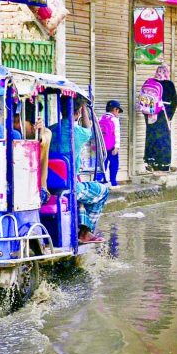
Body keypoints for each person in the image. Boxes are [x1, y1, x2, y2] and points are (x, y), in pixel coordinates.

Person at [73, 97, 109, 244]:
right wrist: (83, 106)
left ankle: (81, 228)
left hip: (53, 183)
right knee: (102, 191)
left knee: (84, 195)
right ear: (77, 114)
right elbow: (88, 129)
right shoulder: (77, 132)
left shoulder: (52, 129)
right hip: (71, 185)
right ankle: (86, 232)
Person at [144, 63, 177, 172]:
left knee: (152, 137)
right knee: (164, 139)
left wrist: (147, 115)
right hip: (163, 114)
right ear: (167, 72)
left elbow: (144, 101)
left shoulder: (149, 82)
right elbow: (175, 101)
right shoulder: (169, 84)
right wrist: (169, 116)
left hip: (151, 114)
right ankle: (163, 165)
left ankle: (151, 162)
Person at [99, 100, 122, 187]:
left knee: (103, 164)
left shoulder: (101, 118)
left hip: (102, 147)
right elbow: (117, 133)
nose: (118, 113)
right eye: (118, 110)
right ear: (115, 109)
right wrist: (117, 147)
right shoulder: (114, 119)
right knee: (114, 164)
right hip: (112, 146)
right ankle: (113, 182)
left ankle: (103, 181)